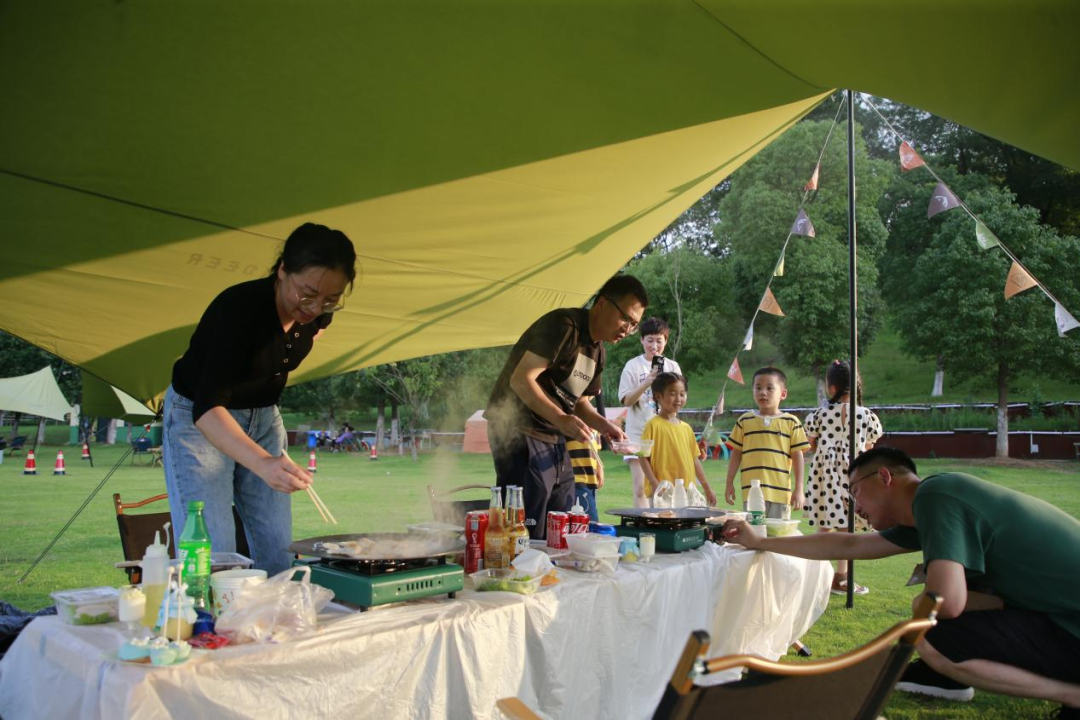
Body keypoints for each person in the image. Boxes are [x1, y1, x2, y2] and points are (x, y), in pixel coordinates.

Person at [722, 447, 1080, 717]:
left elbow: (946, 601)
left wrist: (927, 597)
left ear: (884, 477)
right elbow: (848, 545)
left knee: (927, 631)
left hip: (1070, 627)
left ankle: (1072, 696)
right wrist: (760, 542)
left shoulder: (937, 497)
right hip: (1060, 618)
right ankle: (947, 678)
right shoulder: (933, 503)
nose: (855, 506)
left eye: (854, 492)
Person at [164, 222, 356, 576]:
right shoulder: (237, 311)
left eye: (331, 299)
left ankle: (276, 612)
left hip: (264, 418)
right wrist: (263, 463)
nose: (316, 308)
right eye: (308, 293)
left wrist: (265, 451)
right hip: (201, 421)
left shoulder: (316, 312)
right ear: (282, 270)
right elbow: (207, 409)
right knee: (214, 556)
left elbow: (306, 334)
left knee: (278, 552)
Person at [486, 274, 646, 539]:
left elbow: (579, 402)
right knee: (524, 528)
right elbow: (521, 379)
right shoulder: (564, 326)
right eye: (625, 319)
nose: (627, 330)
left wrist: (605, 426)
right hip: (517, 429)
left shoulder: (598, 352)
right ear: (603, 304)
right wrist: (561, 418)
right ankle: (518, 565)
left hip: (554, 436)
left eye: (634, 325)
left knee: (561, 522)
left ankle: (550, 565)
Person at [803, 360, 882, 595]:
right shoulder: (866, 416)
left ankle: (812, 577)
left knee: (825, 525)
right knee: (847, 528)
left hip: (824, 474)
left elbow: (811, 444)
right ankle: (842, 577)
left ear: (832, 387)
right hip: (854, 474)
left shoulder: (819, 414)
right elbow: (868, 448)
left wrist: (828, 453)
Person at [723, 366, 809, 518]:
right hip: (751, 494)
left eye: (770, 388)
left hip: (780, 494)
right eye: (758, 388)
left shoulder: (792, 422)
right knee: (753, 531)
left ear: (783, 394)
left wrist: (799, 489)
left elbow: (798, 457)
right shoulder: (744, 421)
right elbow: (736, 454)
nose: (763, 392)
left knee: (778, 532)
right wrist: (729, 483)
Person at [618, 317, 682, 507]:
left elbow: (679, 400)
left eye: (659, 341)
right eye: (650, 340)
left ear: (666, 341)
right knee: (640, 488)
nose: (654, 346)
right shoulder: (633, 366)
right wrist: (647, 382)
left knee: (664, 487)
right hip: (638, 434)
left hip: (665, 434)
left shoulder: (672, 367)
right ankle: (643, 522)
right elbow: (626, 400)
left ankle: (661, 521)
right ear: (642, 340)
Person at [640, 373, 717, 506]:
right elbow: (642, 457)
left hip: (686, 492)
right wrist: (654, 483)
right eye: (673, 393)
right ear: (658, 396)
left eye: (682, 394)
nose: (678, 399)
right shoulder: (652, 425)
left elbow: (695, 461)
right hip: (662, 493)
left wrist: (707, 488)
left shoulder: (686, 428)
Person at [566, 431, 604, 522]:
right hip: (577, 479)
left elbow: (596, 448)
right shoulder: (571, 423)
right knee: (589, 522)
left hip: (590, 481)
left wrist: (599, 468)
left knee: (589, 521)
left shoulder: (596, 425)